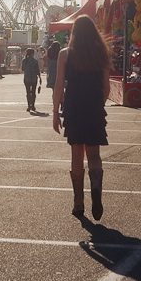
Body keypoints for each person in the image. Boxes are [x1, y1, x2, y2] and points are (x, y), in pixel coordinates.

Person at [53, 15, 110, 220]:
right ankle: (96, 187)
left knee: (77, 154)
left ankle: (78, 202)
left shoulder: (65, 54)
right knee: (94, 154)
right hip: (94, 106)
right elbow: (107, 88)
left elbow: (59, 85)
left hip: (74, 106)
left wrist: (54, 113)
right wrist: (97, 104)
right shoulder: (101, 53)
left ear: (74, 33)